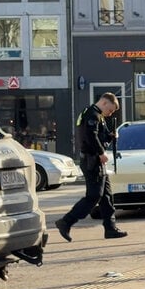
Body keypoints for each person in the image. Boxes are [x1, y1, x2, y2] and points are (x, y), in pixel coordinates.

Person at [55, 93, 127, 242]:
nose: (111, 113)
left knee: (106, 196)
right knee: (94, 196)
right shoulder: (92, 115)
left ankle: (110, 228)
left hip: (95, 160)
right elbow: (90, 136)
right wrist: (101, 152)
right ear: (105, 103)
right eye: (111, 110)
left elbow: (100, 136)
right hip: (92, 160)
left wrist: (111, 136)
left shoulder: (96, 115)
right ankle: (66, 221)